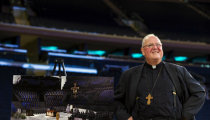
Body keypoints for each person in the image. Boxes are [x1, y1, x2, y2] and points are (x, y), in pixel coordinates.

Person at [114, 34, 205, 120]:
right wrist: (126, 118)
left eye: (158, 44)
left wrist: (185, 115)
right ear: (142, 51)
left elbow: (199, 92)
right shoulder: (129, 75)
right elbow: (117, 101)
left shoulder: (178, 71)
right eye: (150, 45)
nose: (155, 47)